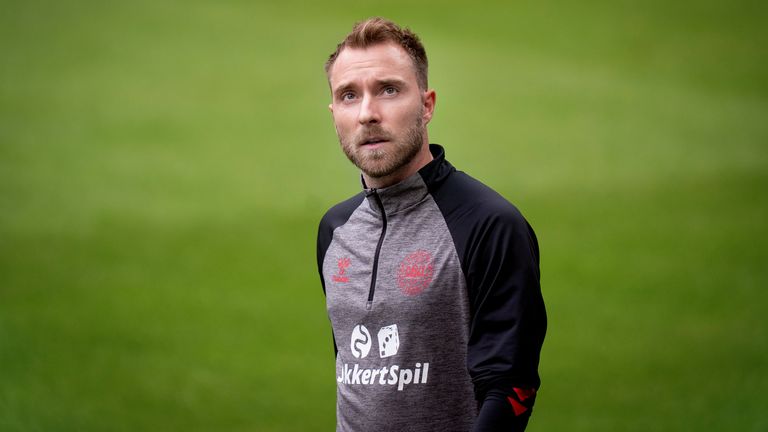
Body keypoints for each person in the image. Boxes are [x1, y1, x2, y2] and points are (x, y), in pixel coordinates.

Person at [316, 17, 547, 432]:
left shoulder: (489, 225)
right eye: (349, 95)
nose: (368, 113)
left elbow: (512, 387)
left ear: (427, 104)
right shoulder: (335, 231)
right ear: (335, 113)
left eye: (388, 90)